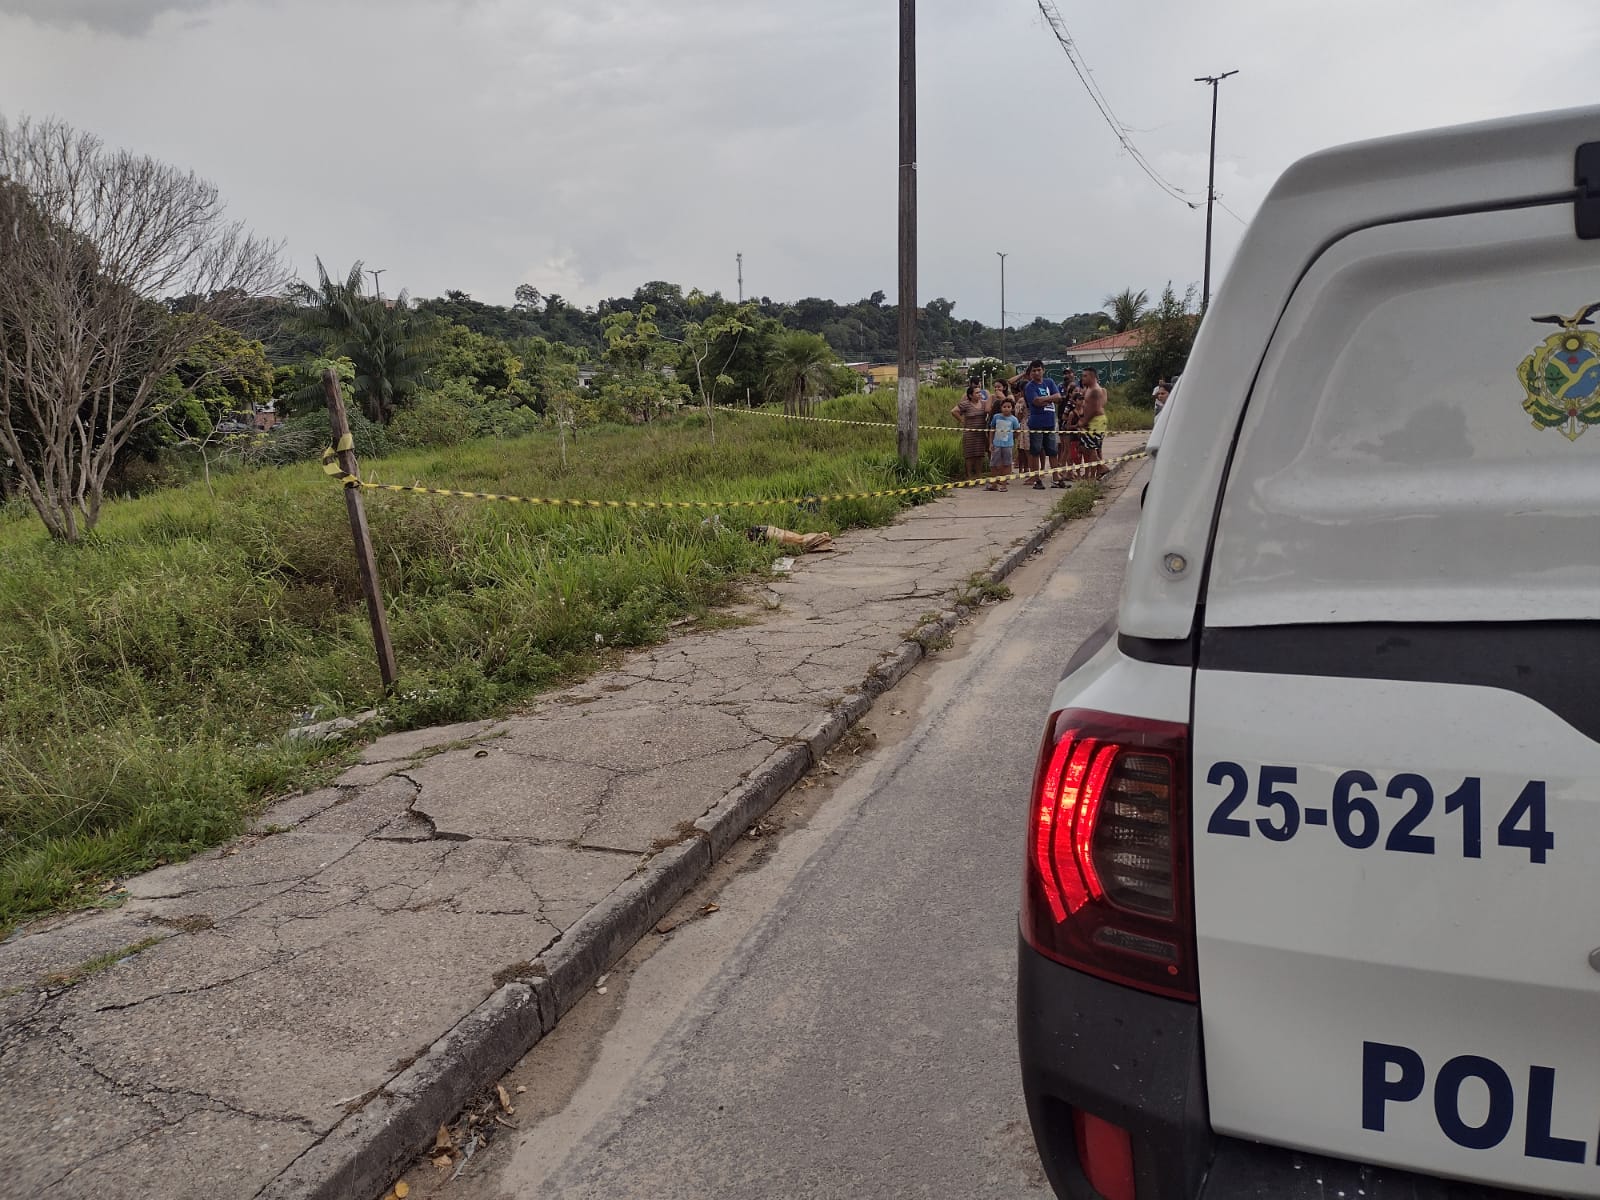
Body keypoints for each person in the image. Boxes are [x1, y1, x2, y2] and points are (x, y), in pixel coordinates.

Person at [1012, 359, 1063, 489]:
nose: (1036, 373)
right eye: (1034, 370)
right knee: (1035, 451)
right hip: (1036, 422)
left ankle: (1056, 478)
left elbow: (1058, 397)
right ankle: (1036, 479)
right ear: (1030, 373)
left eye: (1039, 370)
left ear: (1043, 370)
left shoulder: (1049, 382)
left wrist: (1045, 399)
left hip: (1050, 421)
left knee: (1052, 451)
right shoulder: (1030, 387)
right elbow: (1035, 401)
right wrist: (1050, 399)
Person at [952, 383, 990, 481]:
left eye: (980, 392)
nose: (979, 394)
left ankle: (978, 475)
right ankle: (969, 476)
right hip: (969, 434)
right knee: (969, 455)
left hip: (981, 434)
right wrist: (961, 420)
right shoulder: (965, 404)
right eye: (977, 393)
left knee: (979, 455)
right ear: (970, 395)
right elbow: (954, 411)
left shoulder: (984, 403)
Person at [986, 396, 1020, 491]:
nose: (1006, 408)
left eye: (1009, 407)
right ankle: (994, 484)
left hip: (1008, 446)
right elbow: (992, 430)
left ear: (1012, 408)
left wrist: (1012, 439)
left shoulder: (1014, 419)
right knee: (994, 464)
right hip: (996, 444)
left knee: (1007, 464)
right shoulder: (996, 417)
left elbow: (1017, 431)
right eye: (1004, 406)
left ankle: (1004, 484)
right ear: (1001, 407)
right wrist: (991, 443)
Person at [1080, 366, 1108, 479]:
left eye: (1085, 376)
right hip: (1097, 421)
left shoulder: (1095, 390)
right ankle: (1097, 471)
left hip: (1095, 422)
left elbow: (1096, 408)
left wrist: (1084, 421)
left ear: (1093, 377)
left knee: (1090, 448)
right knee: (1088, 448)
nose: (1083, 378)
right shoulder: (1092, 389)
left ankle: (1101, 468)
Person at [1058, 370, 1085, 479]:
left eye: (1078, 391)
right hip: (1067, 429)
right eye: (1075, 391)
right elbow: (1063, 416)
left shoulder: (1079, 405)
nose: (1077, 393)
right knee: (1067, 450)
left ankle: (1068, 471)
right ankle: (1064, 470)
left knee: (1071, 450)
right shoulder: (1068, 404)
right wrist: (1072, 417)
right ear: (1070, 393)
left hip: (1074, 430)